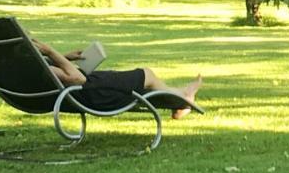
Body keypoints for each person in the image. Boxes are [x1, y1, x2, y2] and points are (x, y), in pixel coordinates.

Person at [32, 38, 202, 119]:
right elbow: (76, 79)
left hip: (91, 89)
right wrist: (50, 52)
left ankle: (180, 99)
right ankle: (183, 99)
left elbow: (55, 71)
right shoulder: (38, 70)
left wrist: (64, 57)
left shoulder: (24, 69)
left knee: (142, 84)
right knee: (146, 75)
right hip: (95, 94)